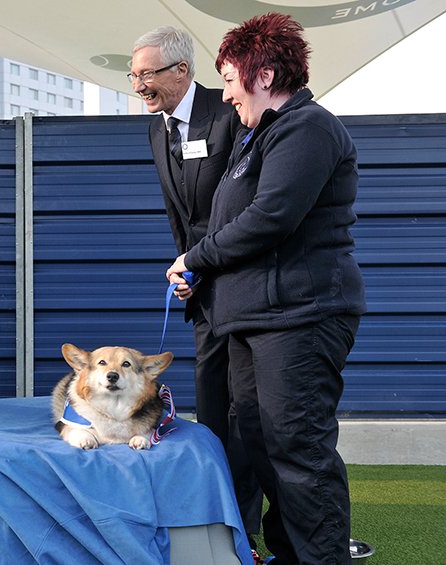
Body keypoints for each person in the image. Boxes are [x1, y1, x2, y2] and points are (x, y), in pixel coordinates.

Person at [166, 13, 365, 564]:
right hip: (254, 319)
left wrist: (195, 255)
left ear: (265, 73)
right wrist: (201, 274)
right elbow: (236, 223)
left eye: (230, 79)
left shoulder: (307, 129)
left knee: (297, 450)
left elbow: (270, 217)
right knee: (259, 443)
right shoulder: (260, 137)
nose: (225, 94)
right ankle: (287, 554)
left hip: (299, 317)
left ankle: (321, 558)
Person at [131, 25, 263, 552]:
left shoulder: (230, 114)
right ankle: (215, 525)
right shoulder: (157, 128)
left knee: (246, 417)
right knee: (211, 415)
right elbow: (183, 219)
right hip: (206, 296)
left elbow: (242, 210)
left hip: (247, 294)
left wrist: (201, 261)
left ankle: (246, 533)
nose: (138, 84)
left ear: (181, 72)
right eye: (134, 74)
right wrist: (187, 270)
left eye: (147, 74)